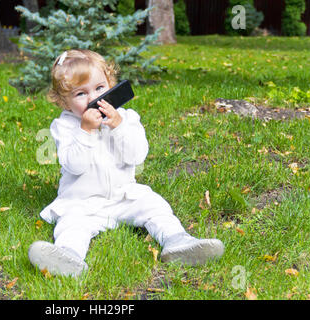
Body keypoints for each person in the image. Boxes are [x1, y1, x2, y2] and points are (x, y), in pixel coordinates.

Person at [28, 49, 224, 277]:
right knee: (72, 224)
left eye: (100, 88)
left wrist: (119, 126)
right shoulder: (65, 127)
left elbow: (136, 155)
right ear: (64, 101)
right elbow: (75, 165)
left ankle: (177, 241)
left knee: (154, 205)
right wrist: (86, 131)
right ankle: (68, 256)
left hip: (124, 196)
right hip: (83, 202)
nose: (93, 99)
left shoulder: (127, 118)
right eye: (81, 94)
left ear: (110, 84)